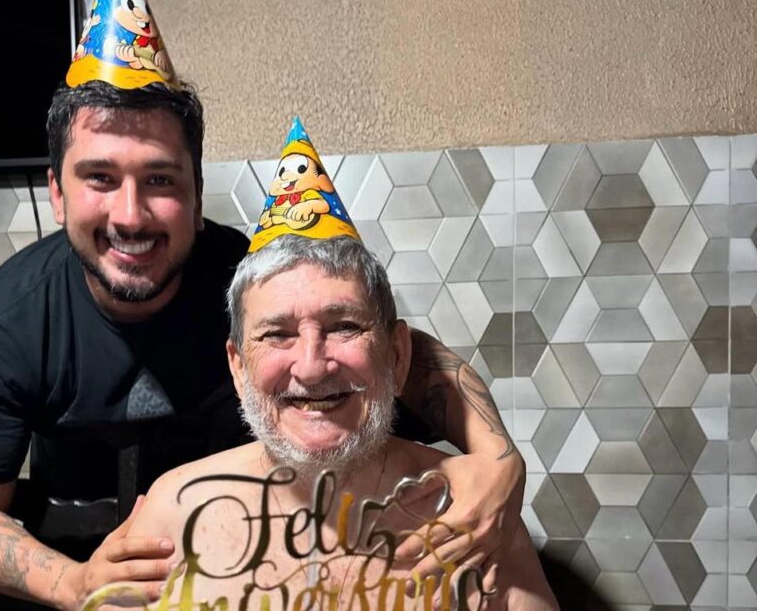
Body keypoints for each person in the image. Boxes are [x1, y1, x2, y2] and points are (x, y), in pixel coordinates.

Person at [0, 0, 525, 609]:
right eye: (100, 178)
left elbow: (395, 357)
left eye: (159, 179)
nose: (130, 215)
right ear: (56, 193)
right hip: (74, 576)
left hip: (240, 569)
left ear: (196, 191)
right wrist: (68, 584)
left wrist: (500, 460)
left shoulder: (248, 280)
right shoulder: (7, 324)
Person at [93, 234, 556, 611]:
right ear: (238, 368)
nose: (312, 368)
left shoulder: (476, 512)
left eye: (344, 327)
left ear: (397, 355)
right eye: (277, 334)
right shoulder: (176, 511)